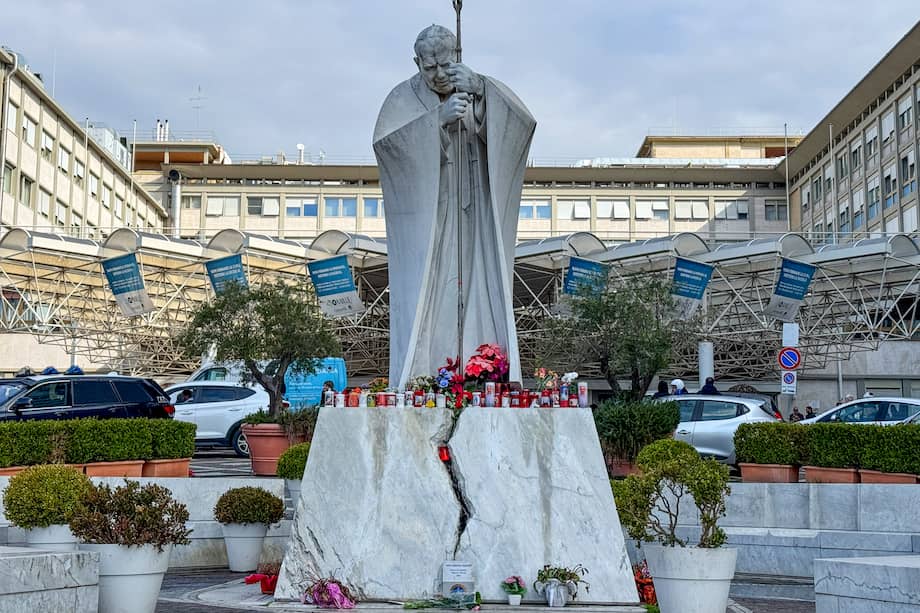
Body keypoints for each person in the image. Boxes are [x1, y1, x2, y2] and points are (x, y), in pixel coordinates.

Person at [373, 24, 536, 390]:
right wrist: (436, 123)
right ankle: (425, 375)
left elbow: (521, 126)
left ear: (457, 55)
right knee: (433, 291)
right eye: (429, 68)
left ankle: (484, 369)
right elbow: (388, 148)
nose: (439, 75)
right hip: (431, 217)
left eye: (445, 65)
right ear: (416, 63)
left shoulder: (479, 86)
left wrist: (481, 96)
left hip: (474, 212)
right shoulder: (401, 99)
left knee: (480, 280)